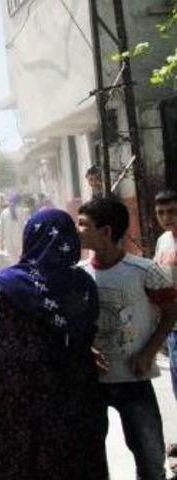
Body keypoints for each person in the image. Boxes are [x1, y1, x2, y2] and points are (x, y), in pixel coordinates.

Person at [0, 209, 107, 479]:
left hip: (14, 399)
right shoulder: (82, 284)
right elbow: (89, 328)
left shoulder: (4, 285)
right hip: (72, 397)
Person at [78, 197, 176, 479]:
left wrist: (148, 352)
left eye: (83, 224)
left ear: (106, 231)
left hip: (134, 381)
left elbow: (170, 312)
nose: (78, 229)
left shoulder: (144, 272)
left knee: (150, 457)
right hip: (92, 383)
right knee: (89, 459)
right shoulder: (80, 275)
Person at [151, 189, 177, 460]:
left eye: (172, 211)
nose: (167, 217)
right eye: (161, 213)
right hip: (171, 328)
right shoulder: (163, 241)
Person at [0, 193, 28, 261]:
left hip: (9, 241)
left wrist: (1, 242)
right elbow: (27, 225)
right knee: (22, 259)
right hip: (21, 240)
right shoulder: (23, 211)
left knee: (13, 260)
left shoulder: (4, 213)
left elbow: (1, 228)